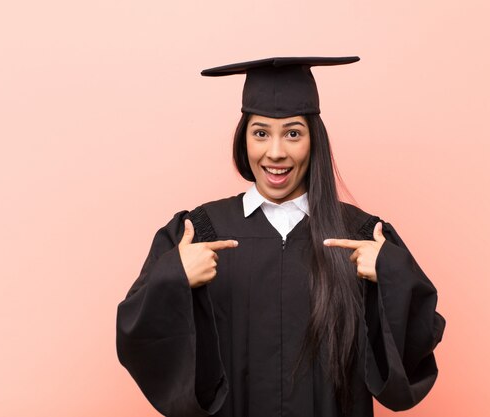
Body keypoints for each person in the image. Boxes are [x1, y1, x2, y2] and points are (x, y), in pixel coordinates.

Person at [116, 56, 446, 417]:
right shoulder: (199, 232)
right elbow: (138, 335)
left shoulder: (361, 236)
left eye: (293, 133)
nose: (276, 152)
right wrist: (174, 279)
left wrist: (391, 276)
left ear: (313, 141)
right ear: (244, 139)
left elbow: (418, 342)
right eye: (260, 133)